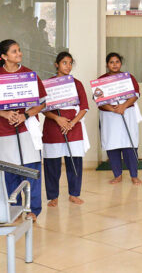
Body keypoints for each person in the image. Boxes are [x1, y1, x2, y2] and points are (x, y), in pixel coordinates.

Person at [0, 39, 47, 220]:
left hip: (27, 130)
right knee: (8, 171)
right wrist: (5, 114)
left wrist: (25, 115)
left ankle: (33, 210)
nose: (19, 54)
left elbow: (42, 103)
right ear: (3, 56)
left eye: (19, 50)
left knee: (31, 169)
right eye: (14, 51)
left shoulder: (29, 75)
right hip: (3, 132)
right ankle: (13, 208)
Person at [42, 52, 89, 206]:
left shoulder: (77, 84)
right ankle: (53, 196)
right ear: (56, 64)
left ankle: (74, 194)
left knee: (75, 162)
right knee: (52, 164)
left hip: (73, 128)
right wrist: (57, 119)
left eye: (70, 63)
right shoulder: (48, 84)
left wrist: (72, 123)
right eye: (64, 63)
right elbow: (42, 108)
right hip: (53, 128)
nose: (68, 66)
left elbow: (84, 107)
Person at [98, 52, 142, 185]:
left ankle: (134, 175)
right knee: (112, 145)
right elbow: (98, 100)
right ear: (107, 64)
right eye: (111, 62)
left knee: (130, 144)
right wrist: (113, 109)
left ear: (121, 63)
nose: (114, 64)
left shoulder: (128, 77)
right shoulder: (101, 80)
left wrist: (123, 106)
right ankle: (117, 175)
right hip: (109, 116)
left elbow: (136, 94)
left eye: (117, 62)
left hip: (127, 113)